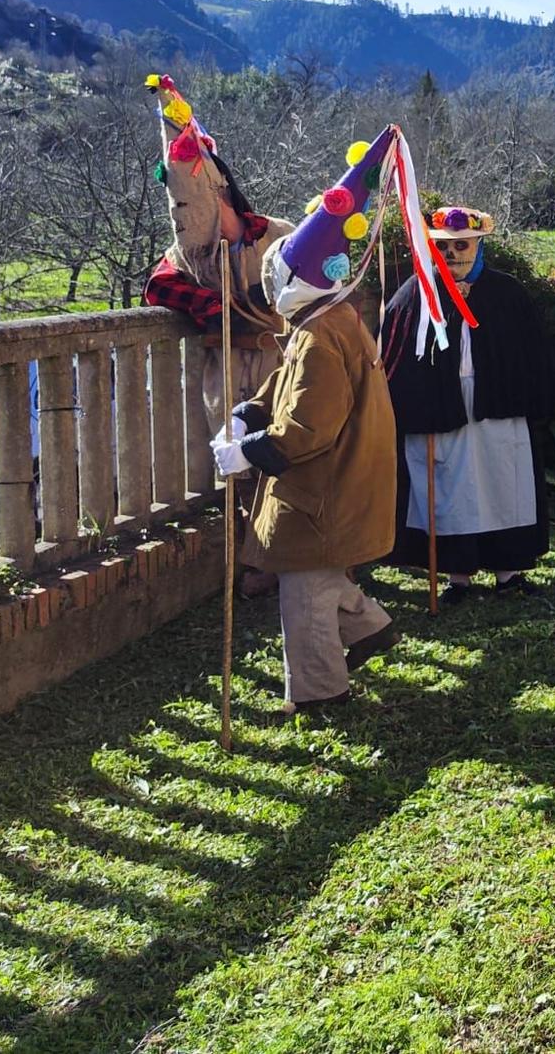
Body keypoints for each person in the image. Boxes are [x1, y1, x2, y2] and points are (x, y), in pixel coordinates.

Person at [212, 128, 421, 714]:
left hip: (323, 490)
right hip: (340, 485)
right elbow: (284, 392)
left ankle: (320, 693)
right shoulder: (327, 322)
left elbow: (307, 427)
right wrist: (246, 416)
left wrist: (250, 451)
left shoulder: (321, 335)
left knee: (303, 591)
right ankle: (369, 628)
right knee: (324, 578)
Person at [142, 72, 294, 598]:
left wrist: (254, 304)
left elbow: (306, 290)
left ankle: (287, 557)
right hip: (225, 370)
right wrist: (209, 304)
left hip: (276, 366)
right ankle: (251, 559)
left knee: (280, 457)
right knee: (236, 466)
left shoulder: (275, 236)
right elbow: (157, 285)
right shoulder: (187, 253)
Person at [380, 204, 555, 605]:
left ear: (478, 245)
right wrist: (412, 404)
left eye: (462, 245)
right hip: (439, 408)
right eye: (443, 248)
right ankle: (458, 576)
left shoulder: (508, 293)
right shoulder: (413, 297)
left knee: (502, 485)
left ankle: (507, 572)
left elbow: (534, 357)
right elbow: (394, 358)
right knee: (449, 489)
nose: (453, 255)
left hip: (498, 405)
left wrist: (533, 399)